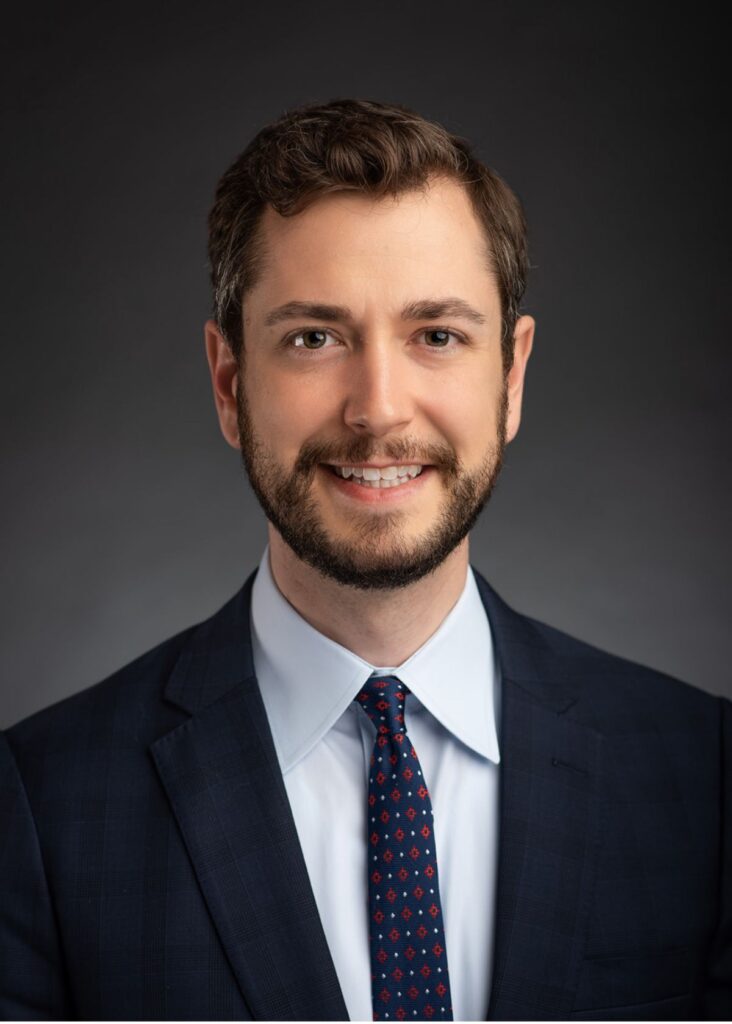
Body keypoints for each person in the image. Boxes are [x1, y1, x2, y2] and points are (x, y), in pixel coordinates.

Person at [0, 99, 729, 1022]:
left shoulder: (706, 776)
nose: (379, 411)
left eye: (437, 336)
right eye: (315, 339)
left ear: (511, 377)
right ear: (230, 385)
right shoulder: (38, 806)